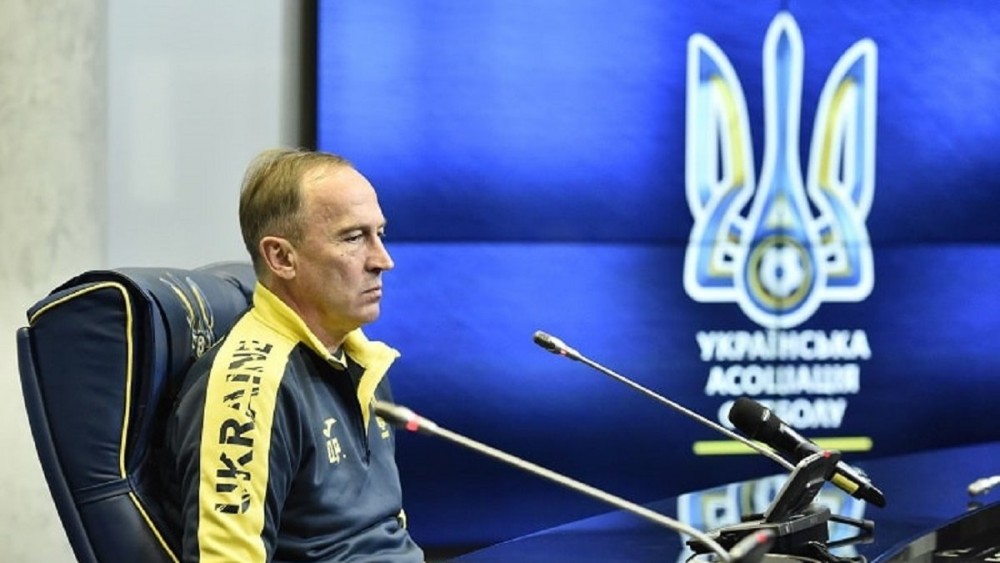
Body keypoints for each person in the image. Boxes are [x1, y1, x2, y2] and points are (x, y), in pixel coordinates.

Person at [165, 148, 424, 562]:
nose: (383, 260)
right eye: (353, 238)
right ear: (282, 258)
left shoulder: (363, 359)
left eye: (380, 233)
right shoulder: (250, 388)